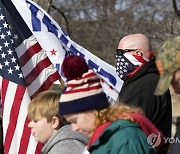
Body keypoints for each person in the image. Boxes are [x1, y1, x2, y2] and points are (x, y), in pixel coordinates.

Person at [59, 55, 164, 154]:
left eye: (75, 121)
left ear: (93, 111)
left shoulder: (125, 138)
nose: (74, 128)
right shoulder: (104, 139)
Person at [116, 33, 172, 153]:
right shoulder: (137, 80)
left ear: (138, 53)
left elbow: (129, 131)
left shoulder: (145, 84)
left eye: (121, 53)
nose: (118, 58)